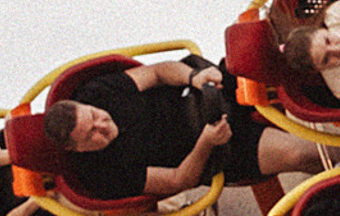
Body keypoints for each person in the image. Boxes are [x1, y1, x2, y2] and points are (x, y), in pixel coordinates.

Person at [42, 57, 318, 202]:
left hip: (203, 93)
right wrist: (206, 143)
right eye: (91, 135)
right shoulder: (99, 174)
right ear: (76, 148)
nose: (102, 126)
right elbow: (176, 180)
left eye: (95, 117)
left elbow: (158, 73)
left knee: (281, 70)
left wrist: (193, 77)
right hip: (213, 147)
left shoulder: (95, 92)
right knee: (299, 154)